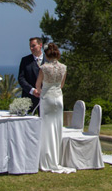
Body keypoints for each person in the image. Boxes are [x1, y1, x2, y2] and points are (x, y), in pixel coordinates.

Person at [36, 43, 74, 173]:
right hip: (58, 99)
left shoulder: (43, 68)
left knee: (46, 129)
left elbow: (38, 86)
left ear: (46, 55)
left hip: (47, 98)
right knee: (57, 128)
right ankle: (55, 159)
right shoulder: (63, 68)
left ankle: (46, 159)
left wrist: (40, 90)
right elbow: (61, 85)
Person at [18, 37, 45, 111]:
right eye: (30, 46)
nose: (31, 48)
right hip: (29, 98)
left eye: (33, 46)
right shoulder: (25, 60)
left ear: (40, 45)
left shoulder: (48, 60)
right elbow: (21, 78)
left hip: (46, 98)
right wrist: (32, 90)